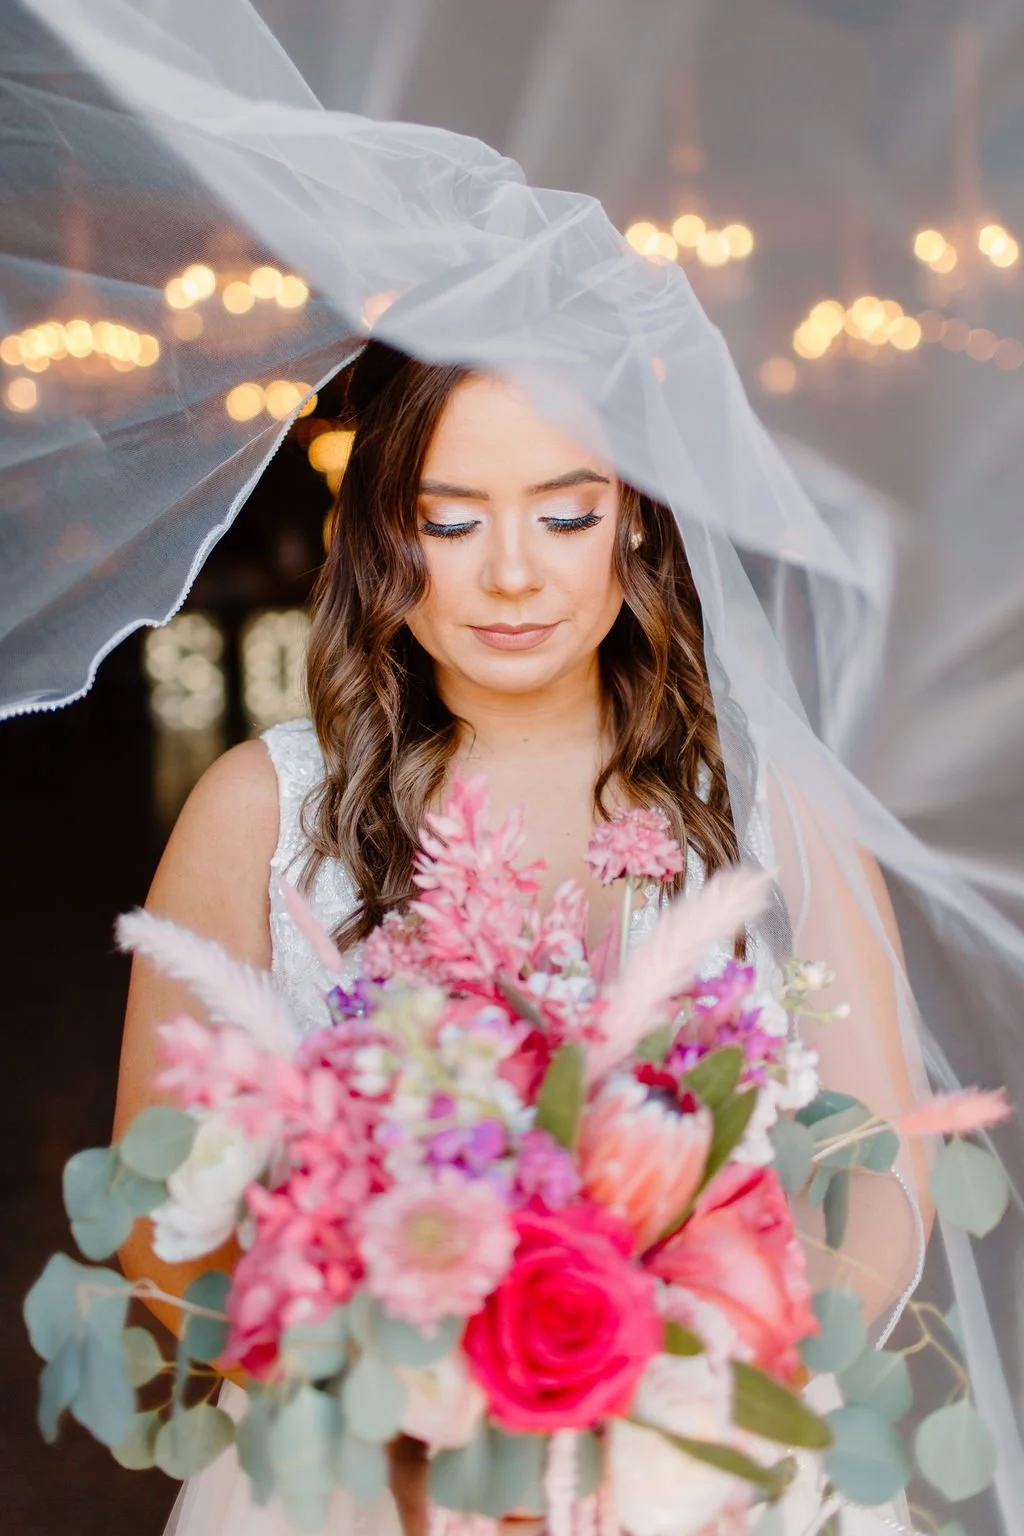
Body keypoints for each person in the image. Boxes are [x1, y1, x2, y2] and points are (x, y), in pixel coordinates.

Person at [114, 341, 926, 1536]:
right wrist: (422, 1430)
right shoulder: (261, 813)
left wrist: (668, 1431)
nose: (509, 575)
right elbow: (156, 1229)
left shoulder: (776, 814)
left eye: (562, 514)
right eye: (448, 523)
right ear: (377, 532)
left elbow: (885, 1188)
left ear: (634, 521)